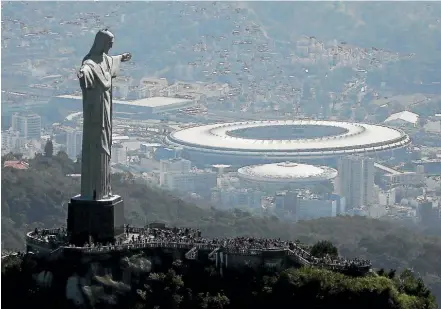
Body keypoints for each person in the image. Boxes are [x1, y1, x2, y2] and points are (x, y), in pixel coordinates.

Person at [78, 29, 131, 200]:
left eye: (112, 43)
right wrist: (83, 74)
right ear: (101, 43)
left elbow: (112, 60)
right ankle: (94, 190)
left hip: (106, 108)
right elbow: (85, 69)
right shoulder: (91, 63)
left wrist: (122, 57)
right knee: (97, 145)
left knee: (105, 144)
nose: (111, 46)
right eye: (109, 43)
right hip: (96, 111)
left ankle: (104, 189)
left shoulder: (106, 60)